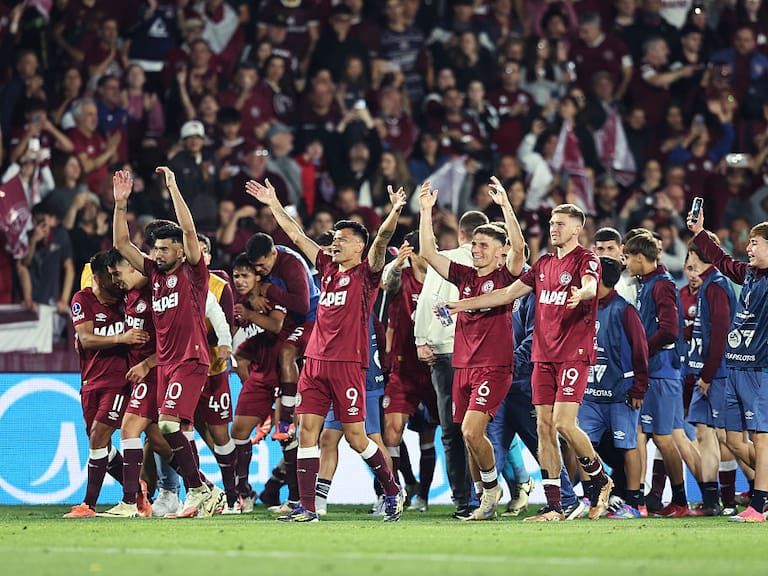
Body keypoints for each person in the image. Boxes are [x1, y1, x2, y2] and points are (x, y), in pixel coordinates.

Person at [244, 177, 405, 522]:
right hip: (314, 363)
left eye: (343, 240)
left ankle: (392, 491)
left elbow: (382, 242)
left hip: (348, 364)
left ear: (359, 247)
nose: (335, 243)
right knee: (306, 432)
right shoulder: (326, 268)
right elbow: (297, 235)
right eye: (334, 238)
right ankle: (308, 507)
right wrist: (274, 204)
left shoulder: (367, 274)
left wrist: (393, 212)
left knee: (357, 438)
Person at [447, 203, 613, 522]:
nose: (554, 228)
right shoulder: (544, 264)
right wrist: (461, 305)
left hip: (572, 353)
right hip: (543, 356)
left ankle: (601, 478)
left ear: (577, 228)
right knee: (544, 428)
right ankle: (556, 506)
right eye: (552, 223)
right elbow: (506, 294)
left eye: (561, 224)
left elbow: (592, 283)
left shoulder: (586, 259)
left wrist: (585, 293)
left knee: (564, 423)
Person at [418, 177, 525, 521]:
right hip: (463, 366)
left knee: (469, 431)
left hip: (494, 366)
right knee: (467, 439)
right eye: (474, 243)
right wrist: (424, 211)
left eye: (482, 245)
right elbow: (429, 254)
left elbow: (520, 251)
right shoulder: (465, 276)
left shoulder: (507, 276)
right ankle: (484, 499)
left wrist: (506, 206)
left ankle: (492, 492)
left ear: (499, 252)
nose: (475, 249)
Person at [112, 168, 213, 518]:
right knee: (175, 430)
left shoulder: (194, 274)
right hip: (167, 364)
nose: (156, 254)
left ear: (181, 253)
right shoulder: (154, 275)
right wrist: (120, 204)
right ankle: (202, 493)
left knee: (168, 425)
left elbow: (188, 230)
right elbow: (121, 245)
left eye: (164, 249)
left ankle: (200, 488)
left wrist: (173, 188)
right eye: (154, 248)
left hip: (191, 358)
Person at [687, 206, 768, 523]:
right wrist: (699, 234)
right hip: (735, 366)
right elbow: (721, 260)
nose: (748, 247)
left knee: (762, 439)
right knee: (733, 439)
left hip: (760, 369)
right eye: (748, 242)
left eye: (755, 243)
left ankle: (758, 506)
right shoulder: (748, 274)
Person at [413, 209, 489, 519]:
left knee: (452, 431)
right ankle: (492, 493)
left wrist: (420, 339)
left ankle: (464, 501)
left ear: (460, 233)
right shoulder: (490, 260)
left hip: (444, 354)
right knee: (483, 429)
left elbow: (426, 300)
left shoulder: (443, 260)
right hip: (480, 354)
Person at [64, 251, 150, 518]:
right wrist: (120, 339)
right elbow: (86, 339)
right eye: (111, 277)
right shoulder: (83, 299)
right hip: (90, 381)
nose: (117, 281)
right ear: (98, 279)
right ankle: (137, 490)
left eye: (117, 275)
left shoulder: (128, 299)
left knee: (99, 437)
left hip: (120, 381)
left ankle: (88, 505)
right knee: (98, 443)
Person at [623, 231, 701, 517]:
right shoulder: (647, 283)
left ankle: (680, 500)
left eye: (628, 257)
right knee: (643, 433)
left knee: (664, 438)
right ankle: (641, 499)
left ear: (641, 258)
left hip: (663, 372)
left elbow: (669, 329)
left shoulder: (662, 285)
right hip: (654, 371)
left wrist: (641, 350)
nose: (626, 263)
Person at [98, 249, 172, 518]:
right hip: (138, 375)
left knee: (128, 430)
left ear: (133, 267)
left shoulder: (158, 296)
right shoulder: (128, 295)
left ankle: (130, 502)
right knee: (159, 440)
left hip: (153, 374)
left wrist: (146, 364)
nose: (115, 280)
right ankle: (204, 487)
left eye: (117, 273)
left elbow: (173, 342)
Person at [580, 256, 649, 519]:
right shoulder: (586, 307)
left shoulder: (625, 309)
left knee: (628, 446)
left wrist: (638, 389)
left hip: (621, 393)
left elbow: (641, 352)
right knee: (584, 446)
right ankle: (591, 497)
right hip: (590, 393)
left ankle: (633, 503)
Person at [381, 230, 438, 511]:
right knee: (391, 433)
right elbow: (386, 283)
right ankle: (395, 492)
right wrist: (395, 264)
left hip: (434, 371)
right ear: (413, 253)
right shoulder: (401, 280)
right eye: (429, 247)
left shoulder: (443, 282)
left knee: (429, 436)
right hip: (402, 370)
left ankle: (423, 496)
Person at [229, 253, 287, 514]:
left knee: (288, 437)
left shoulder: (274, 298)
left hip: (286, 378)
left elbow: (277, 326)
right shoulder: (237, 306)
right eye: (236, 276)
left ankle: (296, 498)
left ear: (258, 276)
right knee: (238, 434)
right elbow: (238, 354)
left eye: (245, 275)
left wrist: (250, 314)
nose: (239, 281)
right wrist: (248, 383)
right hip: (259, 380)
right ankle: (244, 492)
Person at [316, 314, 388, 516]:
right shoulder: (332, 300)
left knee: (371, 439)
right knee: (328, 438)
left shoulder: (359, 305)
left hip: (365, 382)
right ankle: (319, 501)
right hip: (339, 380)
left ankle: (389, 494)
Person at [684, 238, 736, 516]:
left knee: (731, 440)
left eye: (689, 253)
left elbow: (721, 335)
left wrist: (707, 375)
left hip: (718, 374)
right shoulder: (708, 285)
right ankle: (712, 502)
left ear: (695, 254)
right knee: (704, 434)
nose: (687, 261)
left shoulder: (716, 285)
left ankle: (754, 491)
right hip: (707, 373)